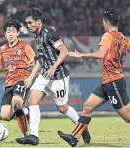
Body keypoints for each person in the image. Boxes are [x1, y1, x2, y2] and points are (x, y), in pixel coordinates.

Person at [15, 7, 90, 146]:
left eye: (30, 23)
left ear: (38, 21)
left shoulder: (50, 33)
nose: (28, 26)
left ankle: (82, 127)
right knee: (32, 100)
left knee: (62, 108)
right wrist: (37, 57)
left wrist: (53, 67)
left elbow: (64, 51)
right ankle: (34, 136)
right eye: (27, 23)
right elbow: (46, 51)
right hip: (44, 75)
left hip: (58, 76)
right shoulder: (37, 34)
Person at [58, 9, 130, 147]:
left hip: (114, 82)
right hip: (107, 82)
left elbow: (101, 54)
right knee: (87, 106)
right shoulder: (123, 38)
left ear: (106, 23)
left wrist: (81, 55)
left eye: (103, 22)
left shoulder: (107, 36)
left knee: (128, 118)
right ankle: (75, 137)